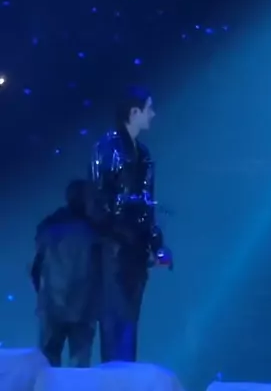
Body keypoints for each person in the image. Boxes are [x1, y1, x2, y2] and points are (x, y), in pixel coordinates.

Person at [90, 87, 171, 363]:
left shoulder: (144, 154)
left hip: (136, 247)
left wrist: (156, 244)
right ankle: (113, 377)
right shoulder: (107, 147)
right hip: (114, 246)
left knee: (130, 316)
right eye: (149, 108)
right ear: (134, 112)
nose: (153, 114)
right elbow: (98, 198)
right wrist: (121, 223)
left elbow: (148, 202)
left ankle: (124, 374)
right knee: (115, 315)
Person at [31, 180, 100, 367]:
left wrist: (43, 295)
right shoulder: (94, 232)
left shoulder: (48, 226)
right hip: (83, 307)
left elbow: (36, 267)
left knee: (48, 362)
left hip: (52, 304)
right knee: (79, 364)